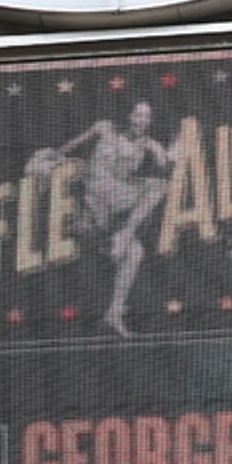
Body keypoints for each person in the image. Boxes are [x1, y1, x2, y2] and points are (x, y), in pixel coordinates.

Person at [57, 101, 169, 334]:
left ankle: (114, 313)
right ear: (127, 114)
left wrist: (169, 154)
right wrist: (60, 159)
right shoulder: (103, 128)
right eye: (137, 114)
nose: (141, 120)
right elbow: (68, 148)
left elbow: (164, 164)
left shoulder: (149, 145)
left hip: (115, 208)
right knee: (153, 190)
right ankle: (123, 235)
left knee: (135, 251)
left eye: (147, 117)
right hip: (91, 204)